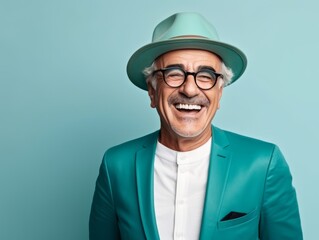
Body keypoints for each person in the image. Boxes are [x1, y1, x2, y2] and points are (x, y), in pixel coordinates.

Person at [89, 12, 303, 240]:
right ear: (152, 91)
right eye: (173, 73)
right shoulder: (116, 167)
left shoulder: (263, 164)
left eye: (206, 75)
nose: (190, 90)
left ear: (219, 93)